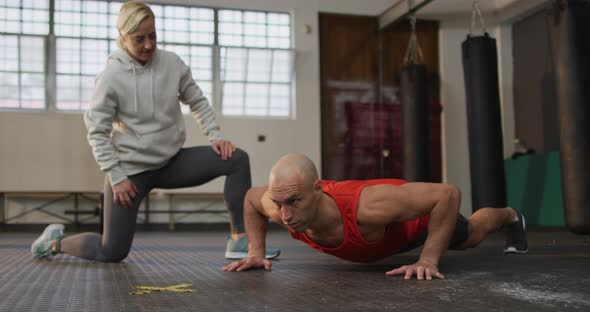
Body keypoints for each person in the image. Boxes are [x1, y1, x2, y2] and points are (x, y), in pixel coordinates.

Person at [30, 1, 279, 262]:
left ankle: (240, 240)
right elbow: (96, 131)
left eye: (153, 36)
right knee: (112, 251)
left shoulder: (171, 63)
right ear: (123, 37)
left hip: (171, 162)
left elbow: (197, 101)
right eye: (139, 39)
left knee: (237, 159)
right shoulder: (111, 77)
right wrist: (115, 174)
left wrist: (216, 137)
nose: (149, 44)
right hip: (130, 173)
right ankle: (54, 243)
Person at [223, 154, 527, 280]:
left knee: (471, 236)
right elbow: (250, 198)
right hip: (383, 238)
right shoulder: (280, 205)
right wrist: (255, 252)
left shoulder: (367, 207)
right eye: (280, 203)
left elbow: (446, 194)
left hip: (417, 224)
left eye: (294, 201)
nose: (286, 215)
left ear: (317, 190)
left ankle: (511, 216)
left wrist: (428, 259)